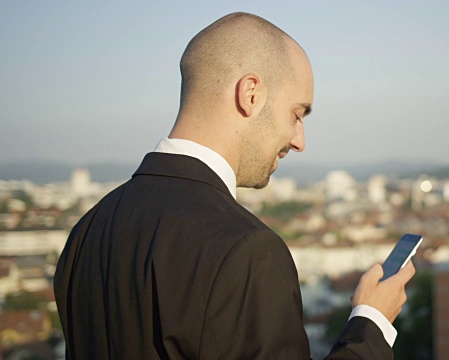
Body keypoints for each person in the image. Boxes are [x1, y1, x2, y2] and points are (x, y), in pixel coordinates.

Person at [54, 12, 415, 359]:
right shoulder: (247, 250)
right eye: (296, 114)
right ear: (251, 94)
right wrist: (371, 323)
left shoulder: (86, 230)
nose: (300, 140)